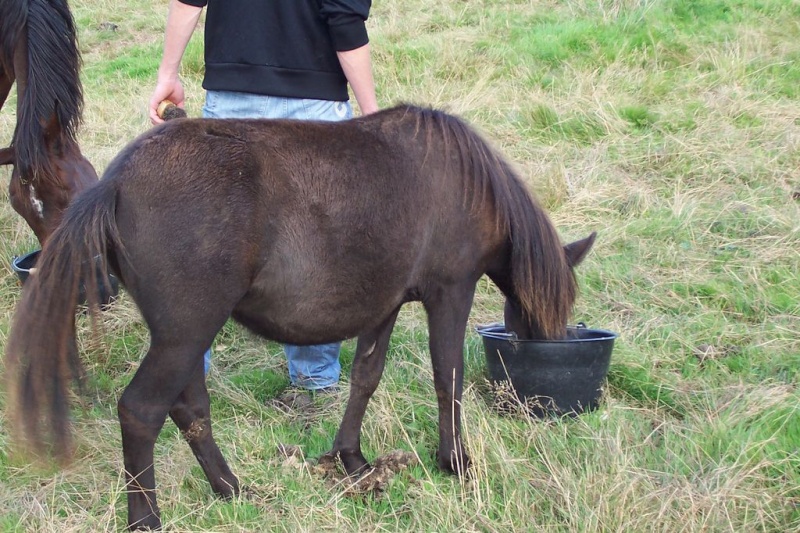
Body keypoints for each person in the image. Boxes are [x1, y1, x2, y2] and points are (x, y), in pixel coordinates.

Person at [149, 0, 378, 403]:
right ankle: (315, 382)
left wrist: (168, 73)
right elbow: (344, 18)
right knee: (315, 249)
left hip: (231, 101)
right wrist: (372, 115)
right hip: (315, 108)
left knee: (210, 248)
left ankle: (183, 380)